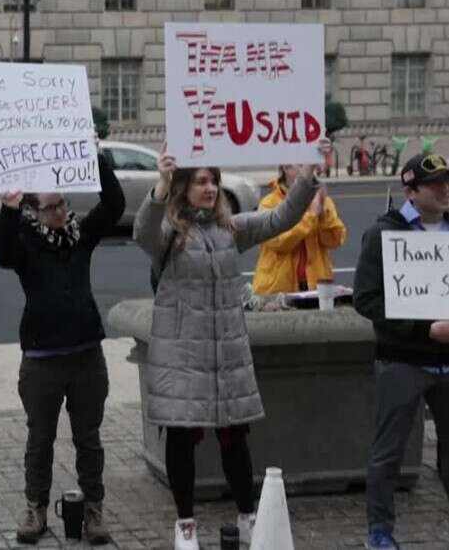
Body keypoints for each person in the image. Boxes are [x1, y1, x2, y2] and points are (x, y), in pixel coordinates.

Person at [133, 139, 330, 550]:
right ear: (184, 185)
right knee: (182, 440)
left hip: (226, 355)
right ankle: (185, 525)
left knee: (234, 439)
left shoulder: (230, 228)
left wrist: (309, 177)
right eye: (201, 181)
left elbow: (281, 217)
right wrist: (160, 186)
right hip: (183, 355)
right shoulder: (169, 233)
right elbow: (144, 232)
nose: (209, 188)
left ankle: (247, 516)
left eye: (215, 181)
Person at [0, 151, 125, 545]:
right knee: (40, 439)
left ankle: (94, 509)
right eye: (52, 207)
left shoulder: (80, 234)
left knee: (89, 437)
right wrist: (8, 211)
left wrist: (97, 158)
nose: (61, 213)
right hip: (42, 359)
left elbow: (114, 205)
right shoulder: (25, 241)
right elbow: (1, 256)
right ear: (34, 210)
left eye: (64, 204)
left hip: (86, 353)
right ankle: (35, 507)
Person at [355, 153, 449, 550]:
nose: (445, 190)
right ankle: (380, 531)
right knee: (388, 453)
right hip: (402, 361)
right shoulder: (383, 234)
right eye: (435, 184)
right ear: (411, 190)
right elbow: (367, 300)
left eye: (447, 182)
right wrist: (424, 329)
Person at [251, 164, 346, 294]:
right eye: (302, 165)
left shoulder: (320, 200)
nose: (310, 170)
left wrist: (324, 215)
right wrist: (311, 215)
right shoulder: (269, 203)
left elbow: (335, 240)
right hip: (278, 289)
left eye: (311, 165)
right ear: (286, 168)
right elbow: (280, 242)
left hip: (315, 286)